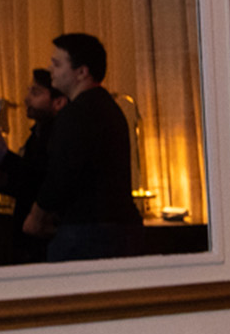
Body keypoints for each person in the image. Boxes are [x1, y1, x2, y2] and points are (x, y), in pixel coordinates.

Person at [29, 33, 144, 260]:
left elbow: (61, 173)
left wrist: (36, 216)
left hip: (86, 231)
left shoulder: (76, 113)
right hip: (118, 228)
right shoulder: (109, 108)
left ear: (82, 72)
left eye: (57, 64)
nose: (51, 70)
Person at [0, 68, 65, 264]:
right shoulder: (37, 134)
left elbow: (37, 179)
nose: (26, 99)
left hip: (43, 242)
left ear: (58, 102)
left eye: (35, 93)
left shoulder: (55, 136)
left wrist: (2, 155)